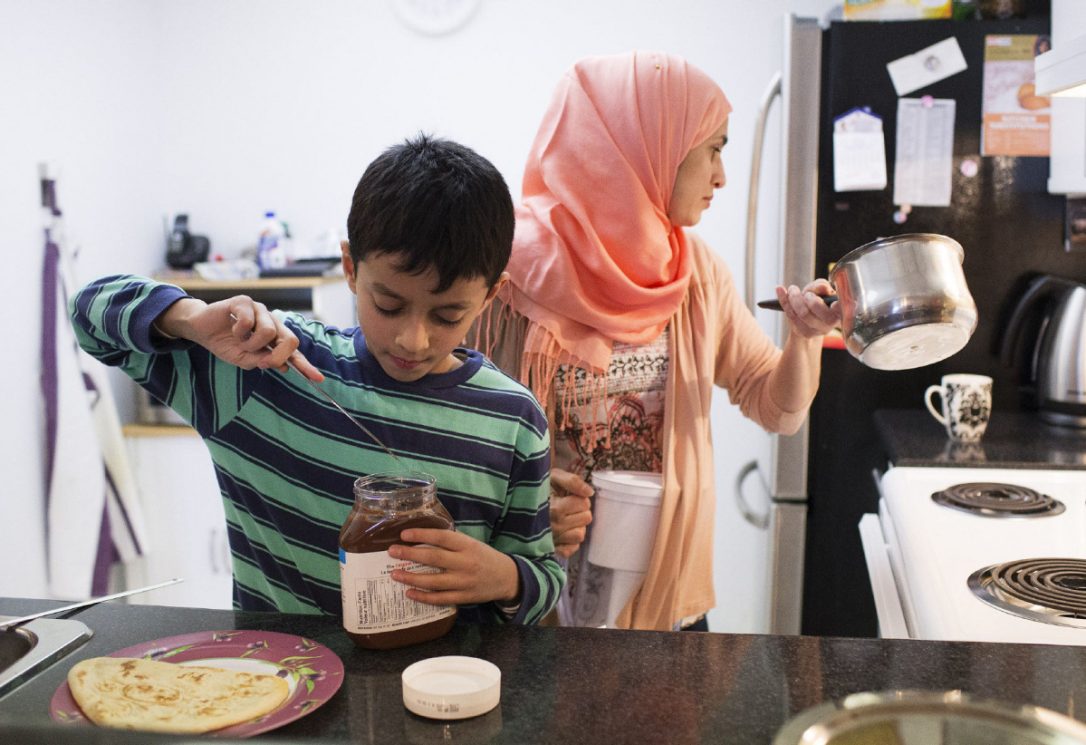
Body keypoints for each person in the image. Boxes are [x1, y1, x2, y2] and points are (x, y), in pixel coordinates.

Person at [70, 134, 564, 625]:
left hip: (444, 689)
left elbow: (542, 575)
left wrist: (506, 578)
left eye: (448, 315)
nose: (414, 340)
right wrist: (188, 319)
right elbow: (89, 315)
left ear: (491, 294)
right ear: (350, 268)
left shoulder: (513, 420)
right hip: (280, 685)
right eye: (388, 305)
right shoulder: (264, 370)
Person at [471, 52, 839, 632]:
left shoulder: (696, 275)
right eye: (713, 149)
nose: (722, 176)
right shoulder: (511, 275)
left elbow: (780, 410)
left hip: (665, 597)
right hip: (529, 592)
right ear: (646, 146)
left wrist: (804, 339)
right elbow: (453, 425)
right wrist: (527, 504)